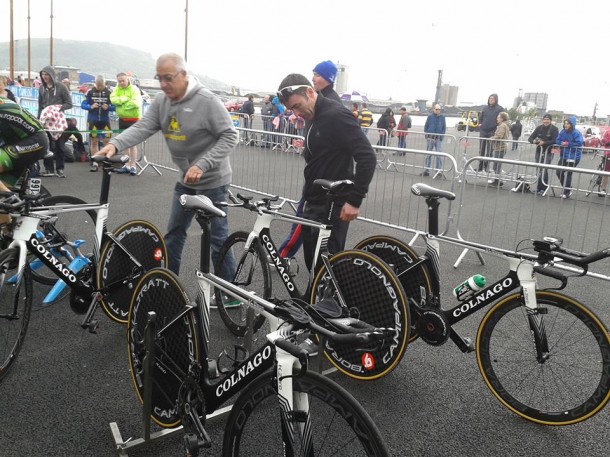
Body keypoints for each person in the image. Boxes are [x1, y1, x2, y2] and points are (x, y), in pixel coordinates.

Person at [96, 53, 238, 277]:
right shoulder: (162, 101)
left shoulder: (207, 101)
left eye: (168, 78)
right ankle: (167, 284)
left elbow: (230, 136)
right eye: (159, 78)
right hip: (185, 179)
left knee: (217, 239)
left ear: (183, 75)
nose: (163, 84)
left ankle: (229, 294)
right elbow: (143, 127)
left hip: (213, 181)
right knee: (174, 233)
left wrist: (202, 165)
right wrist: (115, 144)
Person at [276, 74, 376, 272]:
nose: (295, 113)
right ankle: (314, 301)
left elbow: (367, 157)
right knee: (313, 263)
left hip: (333, 203)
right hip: (313, 200)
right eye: (291, 109)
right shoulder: (312, 116)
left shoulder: (336, 115)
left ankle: (332, 303)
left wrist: (355, 200)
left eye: (297, 106)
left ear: (310, 92)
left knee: (329, 267)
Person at [0, 96, 49, 196]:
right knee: (2, 202)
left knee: (6, 199)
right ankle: (10, 206)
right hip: (17, 142)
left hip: (34, 140)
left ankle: (11, 199)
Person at [37, 66, 73, 178]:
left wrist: (57, 109)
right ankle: (48, 169)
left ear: (52, 75)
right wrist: (39, 119)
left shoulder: (61, 87)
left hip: (58, 121)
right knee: (46, 146)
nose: (45, 77)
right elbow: (40, 105)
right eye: (43, 75)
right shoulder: (41, 88)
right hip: (45, 121)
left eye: (47, 74)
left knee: (60, 146)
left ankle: (60, 169)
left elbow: (69, 103)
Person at [110, 72, 142, 175]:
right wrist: (124, 100)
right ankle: (126, 165)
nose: (121, 83)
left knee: (132, 144)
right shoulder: (117, 89)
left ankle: (133, 166)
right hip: (122, 119)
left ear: (127, 79)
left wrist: (122, 105)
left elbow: (136, 103)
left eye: (123, 80)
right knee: (124, 143)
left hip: (133, 119)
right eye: (119, 81)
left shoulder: (134, 89)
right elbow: (113, 100)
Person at [81, 75, 115, 171]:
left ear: (105, 84)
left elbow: (115, 106)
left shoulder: (109, 92)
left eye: (102, 86)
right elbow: (83, 105)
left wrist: (108, 107)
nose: (100, 88)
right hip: (93, 121)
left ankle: (105, 160)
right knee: (94, 141)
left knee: (107, 141)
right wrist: (90, 107)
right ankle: (95, 160)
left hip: (105, 121)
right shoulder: (90, 92)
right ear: (95, 84)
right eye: (98, 86)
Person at [528, 114, 559, 195]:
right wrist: (534, 141)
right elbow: (530, 138)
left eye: (547, 119)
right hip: (539, 151)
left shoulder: (554, 129)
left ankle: (543, 188)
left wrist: (544, 143)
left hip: (548, 151)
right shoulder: (539, 128)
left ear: (550, 120)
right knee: (539, 169)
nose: (546, 121)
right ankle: (538, 187)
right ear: (542, 120)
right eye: (544, 119)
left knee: (544, 169)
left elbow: (555, 141)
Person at [555, 115, 584, 199]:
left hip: (574, 156)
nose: (566, 125)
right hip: (564, 155)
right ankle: (568, 187)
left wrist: (568, 144)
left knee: (568, 173)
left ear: (572, 124)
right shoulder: (562, 131)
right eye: (565, 123)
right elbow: (557, 140)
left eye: (568, 123)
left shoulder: (576, 133)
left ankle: (566, 192)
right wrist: (561, 143)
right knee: (558, 172)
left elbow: (579, 143)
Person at [477, 93, 503, 171]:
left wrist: (498, 127)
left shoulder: (499, 109)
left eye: (492, 98)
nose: (491, 100)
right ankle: (480, 167)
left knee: (489, 151)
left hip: (492, 132)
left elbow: (503, 119)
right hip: (483, 131)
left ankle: (486, 167)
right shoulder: (485, 108)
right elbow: (480, 117)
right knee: (481, 150)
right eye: (490, 98)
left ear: (496, 100)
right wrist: (480, 124)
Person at [422, 103, 447, 176]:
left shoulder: (442, 117)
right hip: (430, 138)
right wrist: (426, 135)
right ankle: (427, 170)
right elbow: (426, 126)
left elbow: (444, 127)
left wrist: (441, 137)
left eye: (439, 109)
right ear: (433, 109)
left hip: (438, 139)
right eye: (437, 109)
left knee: (439, 155)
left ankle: (438, 171)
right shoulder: (430, 117)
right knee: (428, 155)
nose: (438, 110)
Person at [488, 111, 511, 186]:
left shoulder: (503, 126)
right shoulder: (503, 125)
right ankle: (497, 180)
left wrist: (492, 138)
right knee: (496, 164)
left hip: (500, 147)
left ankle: (497, 181)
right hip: (499, 147)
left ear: (502, 118)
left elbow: (499, 136)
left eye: (498, 117)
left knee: (497, 165)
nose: (497, 118)